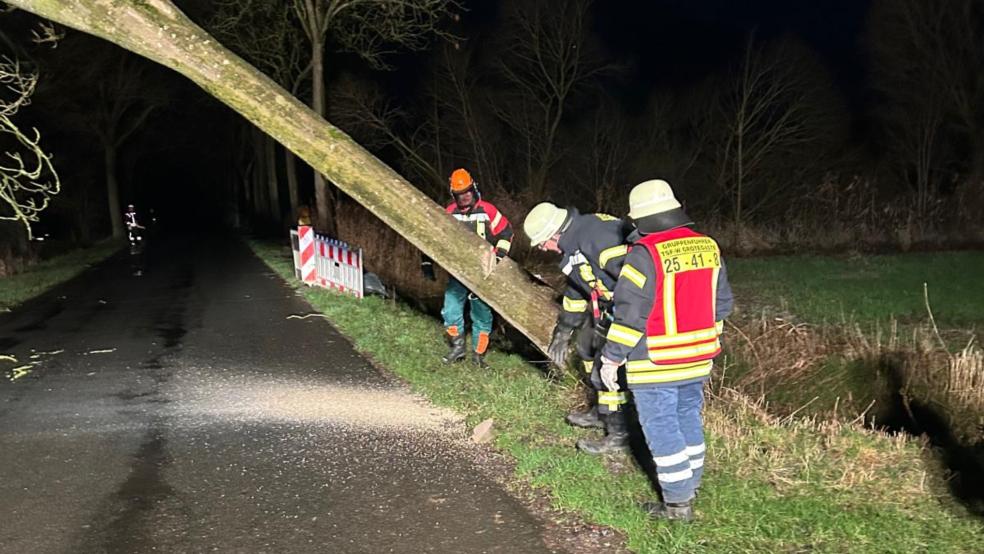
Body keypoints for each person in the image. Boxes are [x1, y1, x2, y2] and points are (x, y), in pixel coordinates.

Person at [597, 179, 733, 522]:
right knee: (688, 419)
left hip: (656, 362)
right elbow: (722, 304)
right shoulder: (708, 247)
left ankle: (677, 505)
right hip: (700, 357)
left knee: (661, 430)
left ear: (639, 220)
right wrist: (706, 341)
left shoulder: (644, 255)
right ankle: (692, 485)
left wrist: (612, 358)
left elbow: (630, 315)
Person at [523, 202, 632, 454]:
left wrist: (624, 318)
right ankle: (600, 410)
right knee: (586, 348)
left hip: (626, 311)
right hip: (605, 309)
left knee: (609, 369)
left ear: (555, 233)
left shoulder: (597, 237)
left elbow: (634, 281)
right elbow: (576, 290)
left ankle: (619, 433)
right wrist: (563, 331)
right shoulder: (576, 242)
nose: (542, 248)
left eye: (542, 242)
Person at [425, 168, 513, 368]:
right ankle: (457, 348)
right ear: (453, 195)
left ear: (473, 189)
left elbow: (507, 233)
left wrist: (498, 257)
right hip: (458, 272)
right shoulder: (449, 212)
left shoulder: (488, 210)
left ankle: (478, 356)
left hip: (483, 275)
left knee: (482, 314)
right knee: (450, 310)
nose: (465, 197)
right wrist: (427, 261)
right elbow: (433, 237)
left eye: (467, 192)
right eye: (460, 194)